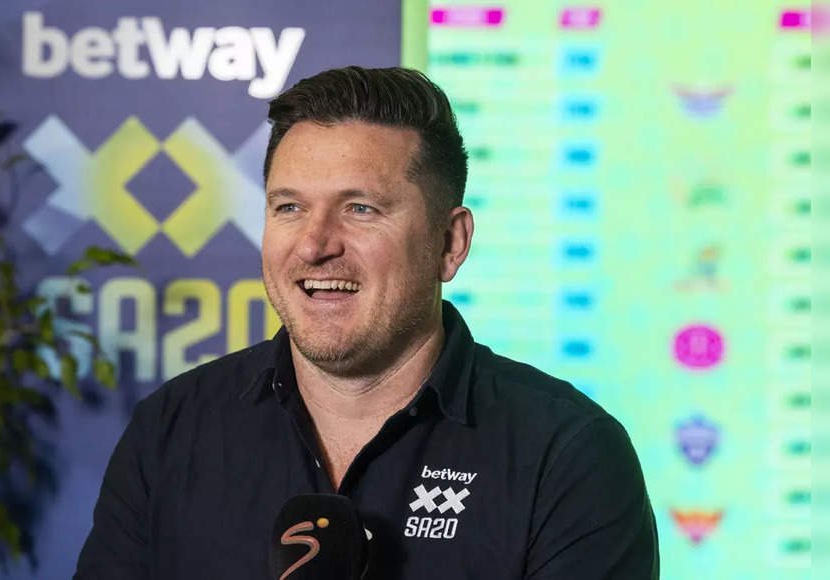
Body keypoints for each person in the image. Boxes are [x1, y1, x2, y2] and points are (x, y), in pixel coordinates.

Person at [75, 66, 659, 579]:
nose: (314, 245)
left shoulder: (567, 455)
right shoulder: (171, 431)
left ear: (449, 243)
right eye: (289, 207)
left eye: (360, 209)